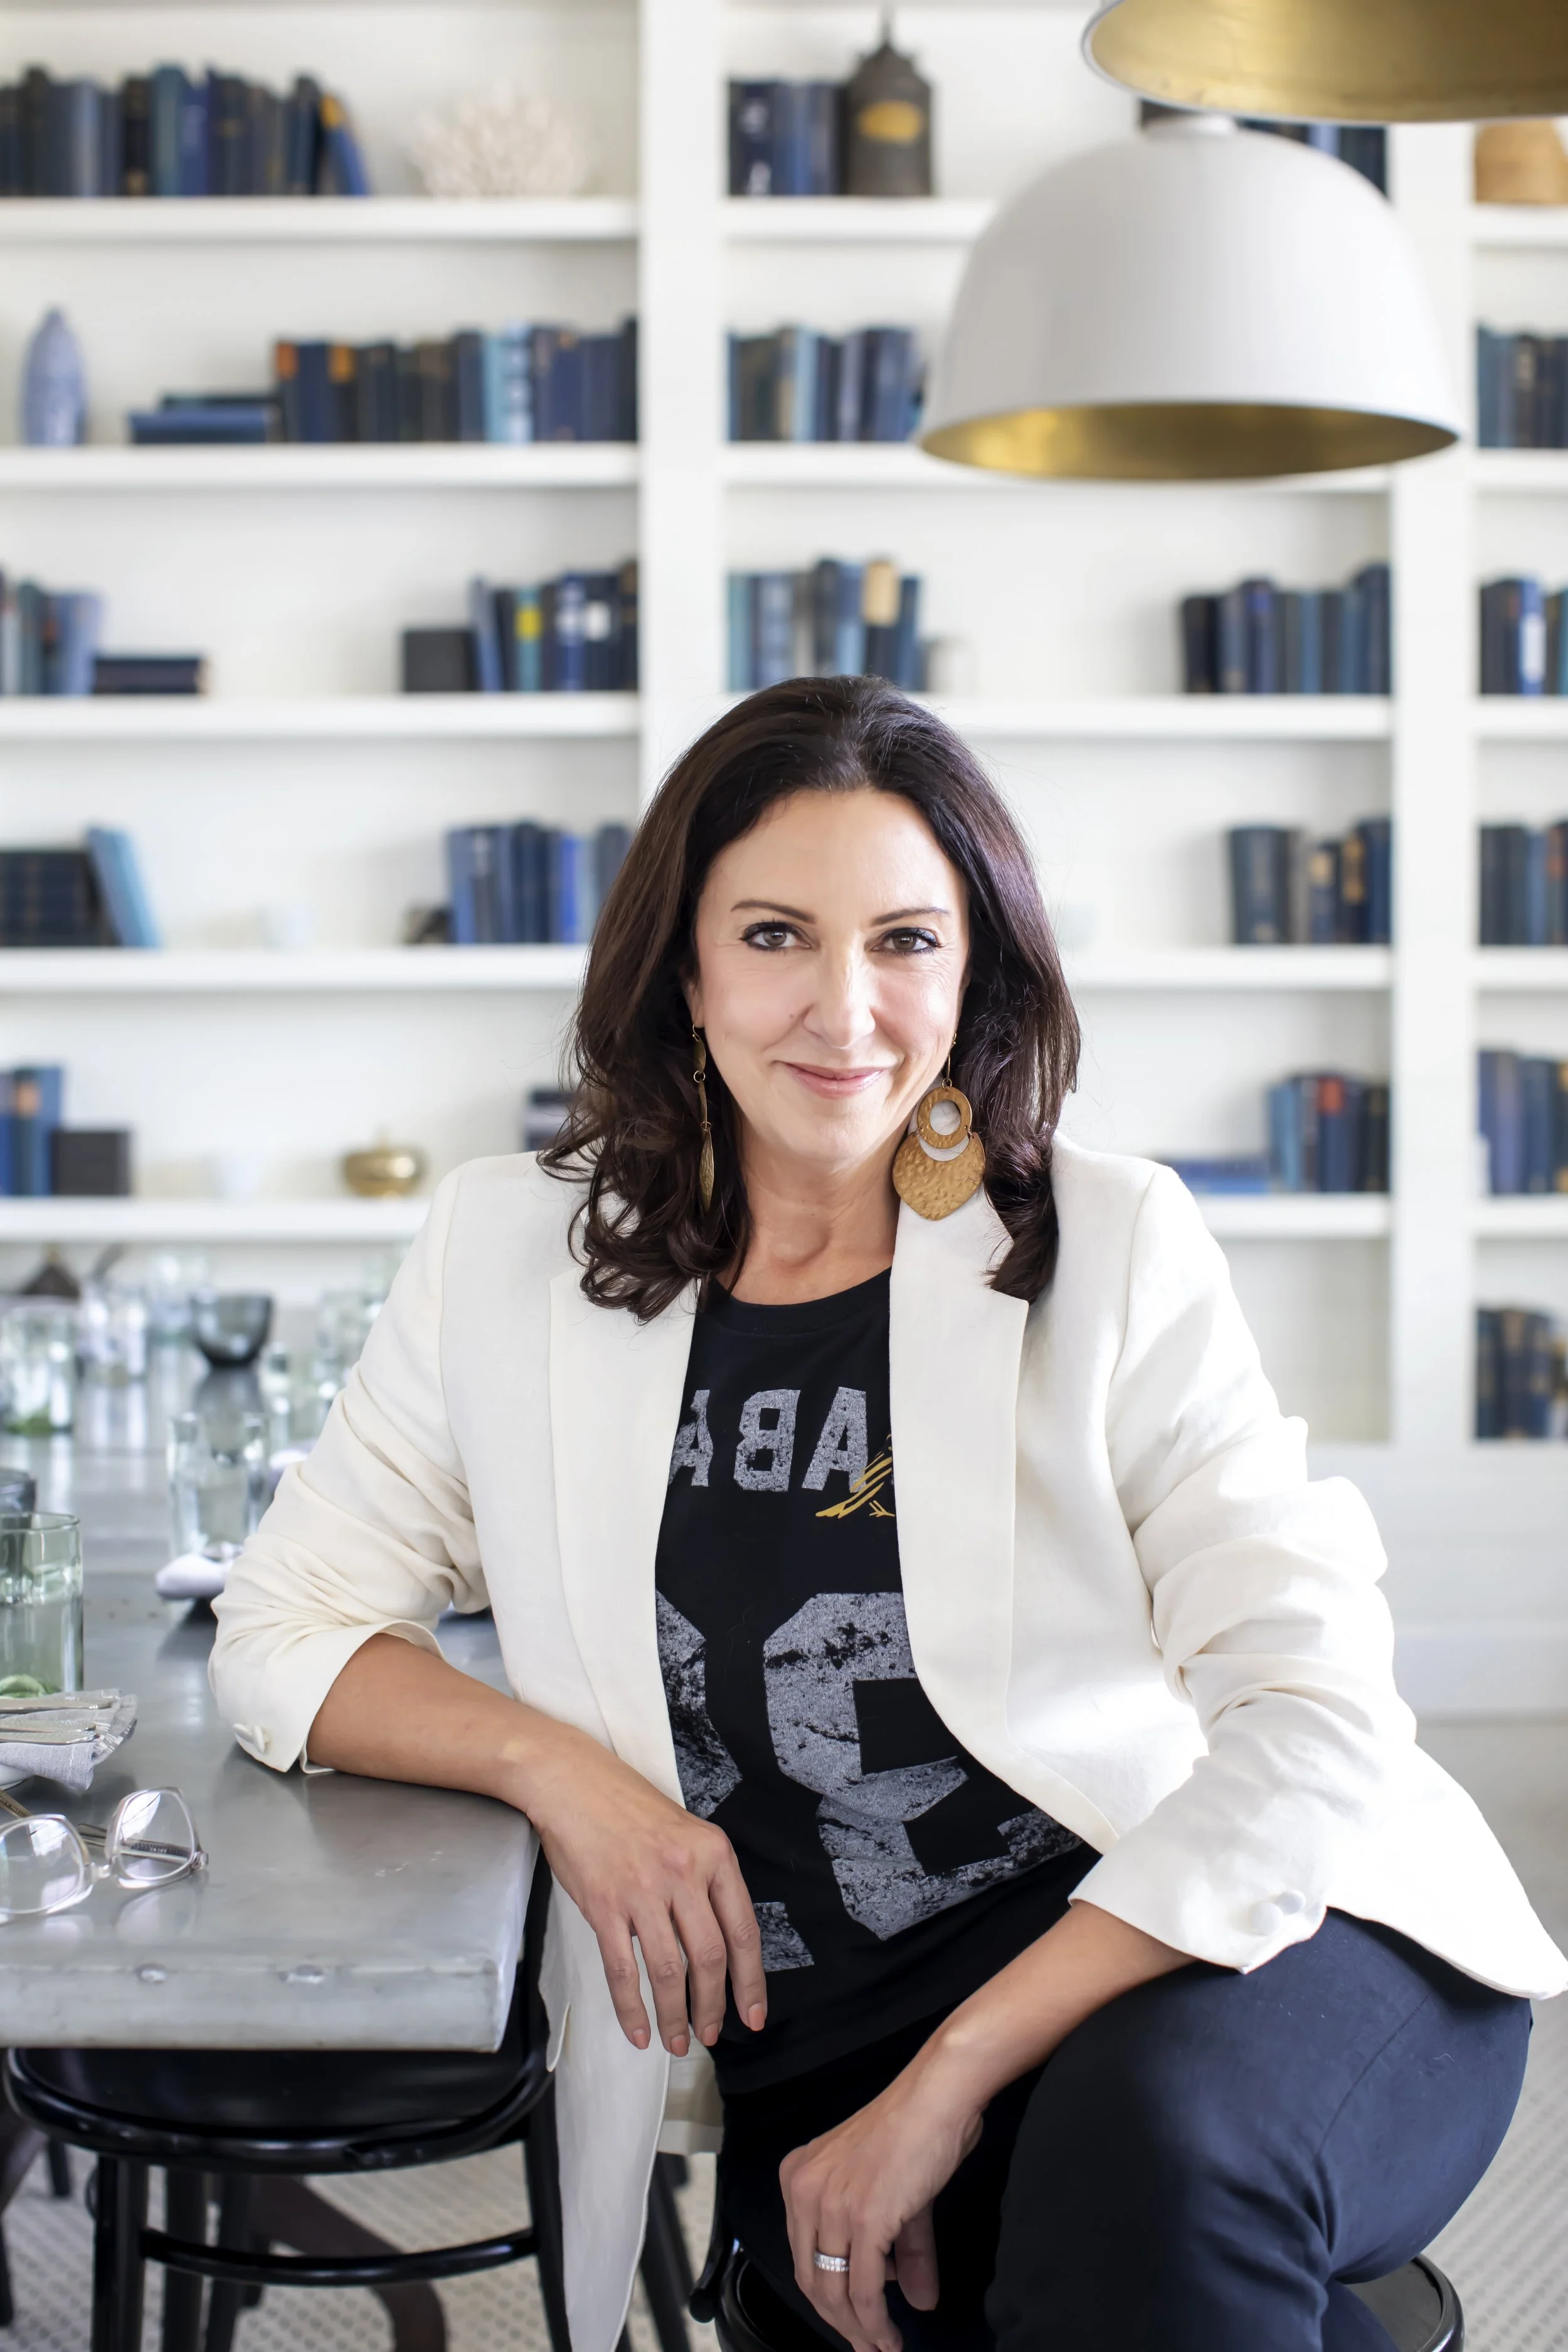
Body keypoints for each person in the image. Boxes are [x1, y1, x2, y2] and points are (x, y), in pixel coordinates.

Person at [212, 677, 1565, 2352]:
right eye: (776, 934)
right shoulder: (512, 1255)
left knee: (1148, 2171)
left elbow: (1314, 1717)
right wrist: (564, 1775)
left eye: (905, 941)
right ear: (683, 965)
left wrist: (954, 2072)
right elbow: (285, 1626)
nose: (842, 1010)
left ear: (976, 969)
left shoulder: (1108, 1245)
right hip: (831, 2043)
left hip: (1230, 1934)